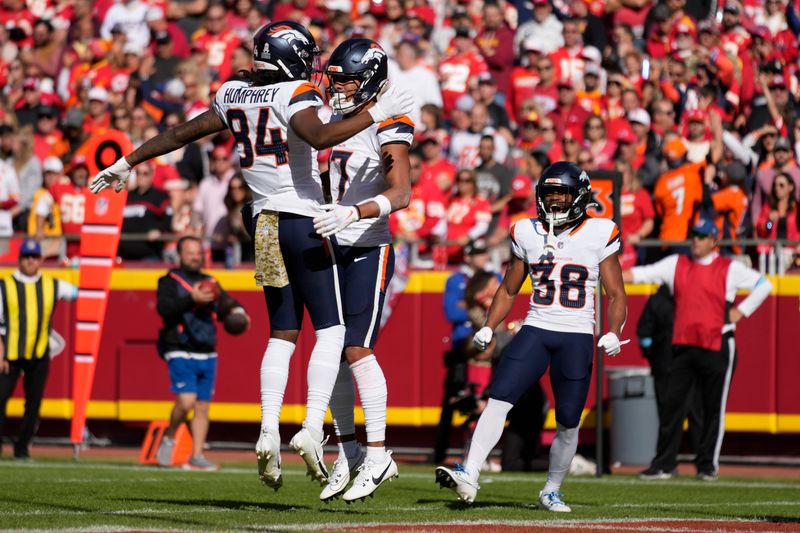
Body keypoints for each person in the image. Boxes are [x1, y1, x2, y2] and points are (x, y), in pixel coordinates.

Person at [90, 21, 413, 490]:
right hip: (302, 219)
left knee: (282, 331)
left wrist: (126, 162)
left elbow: (183, 132)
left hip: (260, 222)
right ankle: (309, 428)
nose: (315, 68)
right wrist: (376, 110)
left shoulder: (233, 92)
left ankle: (268, 429)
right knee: (333, 329)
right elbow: (320, 139)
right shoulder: (295, 93)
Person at [436, 162, 627, 512]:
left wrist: (614, 331)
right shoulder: (526, 231)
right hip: (536, 327)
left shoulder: (601, 231)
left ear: (579, 195)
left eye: (561, 193)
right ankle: (470, 472)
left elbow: (615, 293)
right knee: (500, 396)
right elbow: (509, 289)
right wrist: (487, 325)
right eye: (549, 193)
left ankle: (551, 489)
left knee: (569, 419)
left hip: (577, 332)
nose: (554, 200)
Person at [310, 38, 412, 503]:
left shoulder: (389, 121)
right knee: (330, 351)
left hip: (367, 245)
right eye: (337, 79)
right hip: (327, 245)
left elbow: (403, 191)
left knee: (356, 348)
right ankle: (347, 453)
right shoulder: (325, 119)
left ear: (370, 80)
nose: (340, 88)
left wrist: (357, 212)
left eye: (349, 80)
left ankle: (377, 455)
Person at [624, 219, 772, 480]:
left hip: (717, 342)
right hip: (684, 344)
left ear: (714, 241)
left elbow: (765, 285)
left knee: (712, 407)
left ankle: (707, 465)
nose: (696, 240)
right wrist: (605, 273)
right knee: (672, 405)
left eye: (702, 237)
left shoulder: (729, 268)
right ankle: (664, 464)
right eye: (694, 235)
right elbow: (641, 274)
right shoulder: (677, 264)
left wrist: (741, 311)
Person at [155, 236, 250, 470]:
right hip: (179, 346)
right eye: (190, 253)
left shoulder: (210, 280)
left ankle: (196, 454)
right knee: (186, 401)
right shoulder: (168, 281)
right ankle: (169, 436)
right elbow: (164, 309)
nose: (195, 257)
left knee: (203, 406)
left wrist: (239, 313)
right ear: (179, 254)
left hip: (206, 348)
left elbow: (227, 303)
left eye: (198, 252)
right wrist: (192, 298)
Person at [0, 239, 77, 459]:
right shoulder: (5, 286)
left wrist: (77, 266)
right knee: (0, 399)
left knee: (33, 404)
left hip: (39, 353)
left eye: (34, 257)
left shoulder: (53, 284)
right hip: (10, 353)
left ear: (41, 260)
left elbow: (79, 292)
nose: (30, 261)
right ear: (20, 259)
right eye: (26, 256)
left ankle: (22, 448)